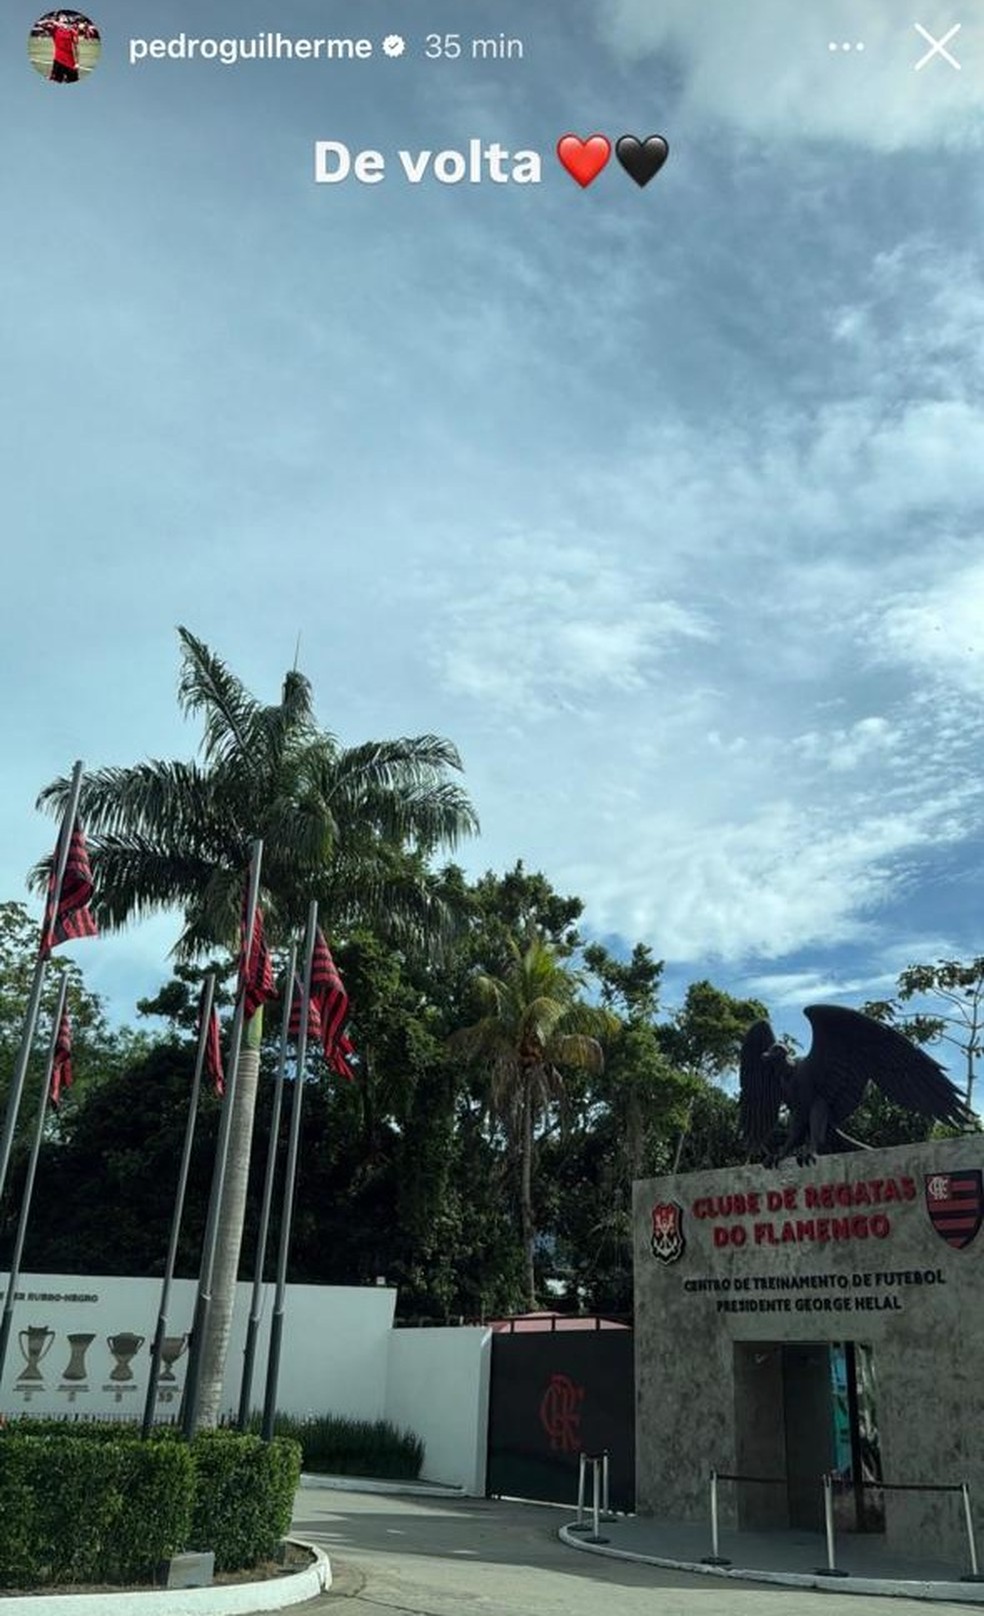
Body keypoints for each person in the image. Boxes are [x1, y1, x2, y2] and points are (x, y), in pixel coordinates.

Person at [49, 13, 79, 83]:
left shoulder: (72, 32)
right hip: (58, 61)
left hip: (71, 63)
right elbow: (42, 24)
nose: (65, 24)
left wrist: (77, 62)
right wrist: (54, 22)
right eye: (63, 21)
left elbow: (76, 48)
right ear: (58, 22)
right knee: (56, 82)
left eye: (66, 22)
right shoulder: (55, 30)